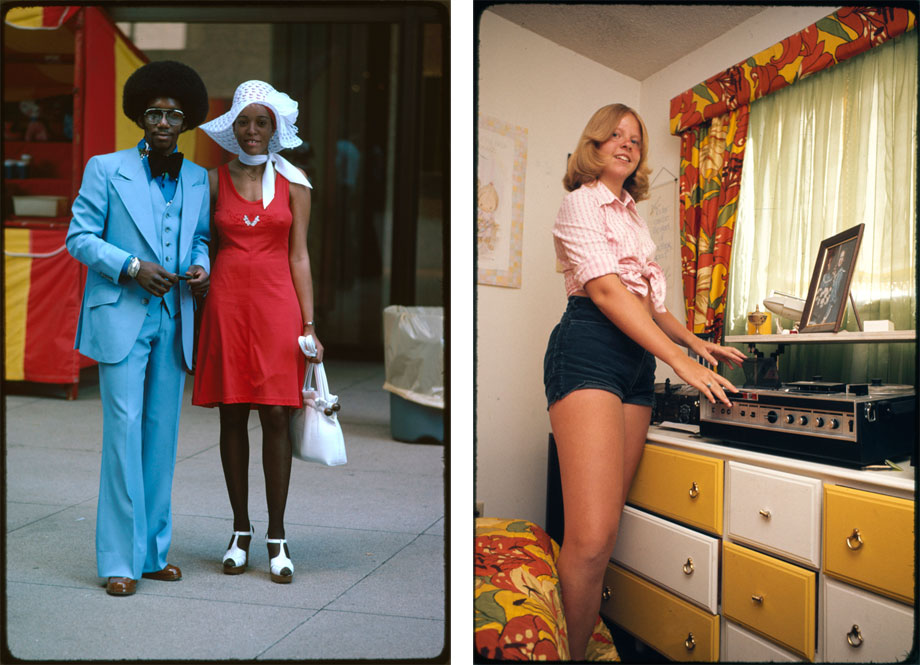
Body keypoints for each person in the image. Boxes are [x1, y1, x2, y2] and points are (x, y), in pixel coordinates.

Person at [543, 103, 747, 659]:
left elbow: (649, 305)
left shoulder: (631, 215)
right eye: (615, 135)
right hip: (589, 348)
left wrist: (695, 344)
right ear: (594, 144)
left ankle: (579, 643)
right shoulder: (580, 203)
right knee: (588, 539)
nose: (627, 144)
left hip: (636, 360)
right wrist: (680, 365)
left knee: (605, 532)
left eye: (636, 139)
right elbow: (607, 293)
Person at [66, 60, 211, 596]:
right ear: (140, 116)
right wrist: (131, 265)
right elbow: (79, 238)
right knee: (123, 435)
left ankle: (151, 553)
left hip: (173, 319)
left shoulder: (197, 178)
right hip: (120, 315)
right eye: (154, 112)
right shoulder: (106, 168)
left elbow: (199, 238)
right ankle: (118, 563)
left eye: (174, 114)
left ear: (187, 121)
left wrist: (202, 267)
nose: (163, 121)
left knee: (161, 440)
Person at [192, 80, 322, 584]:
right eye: (244, 121)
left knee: (275, 415)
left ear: (276, 129)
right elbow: (201, 241)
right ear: (233, 127)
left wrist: (310, 325)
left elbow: (300, 255)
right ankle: (239, 531)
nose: (252, 131)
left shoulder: (296, 182)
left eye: (261, 122)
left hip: (277, 308)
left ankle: (278, 536)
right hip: (226, 306)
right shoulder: (209, 181)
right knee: (232, 415)